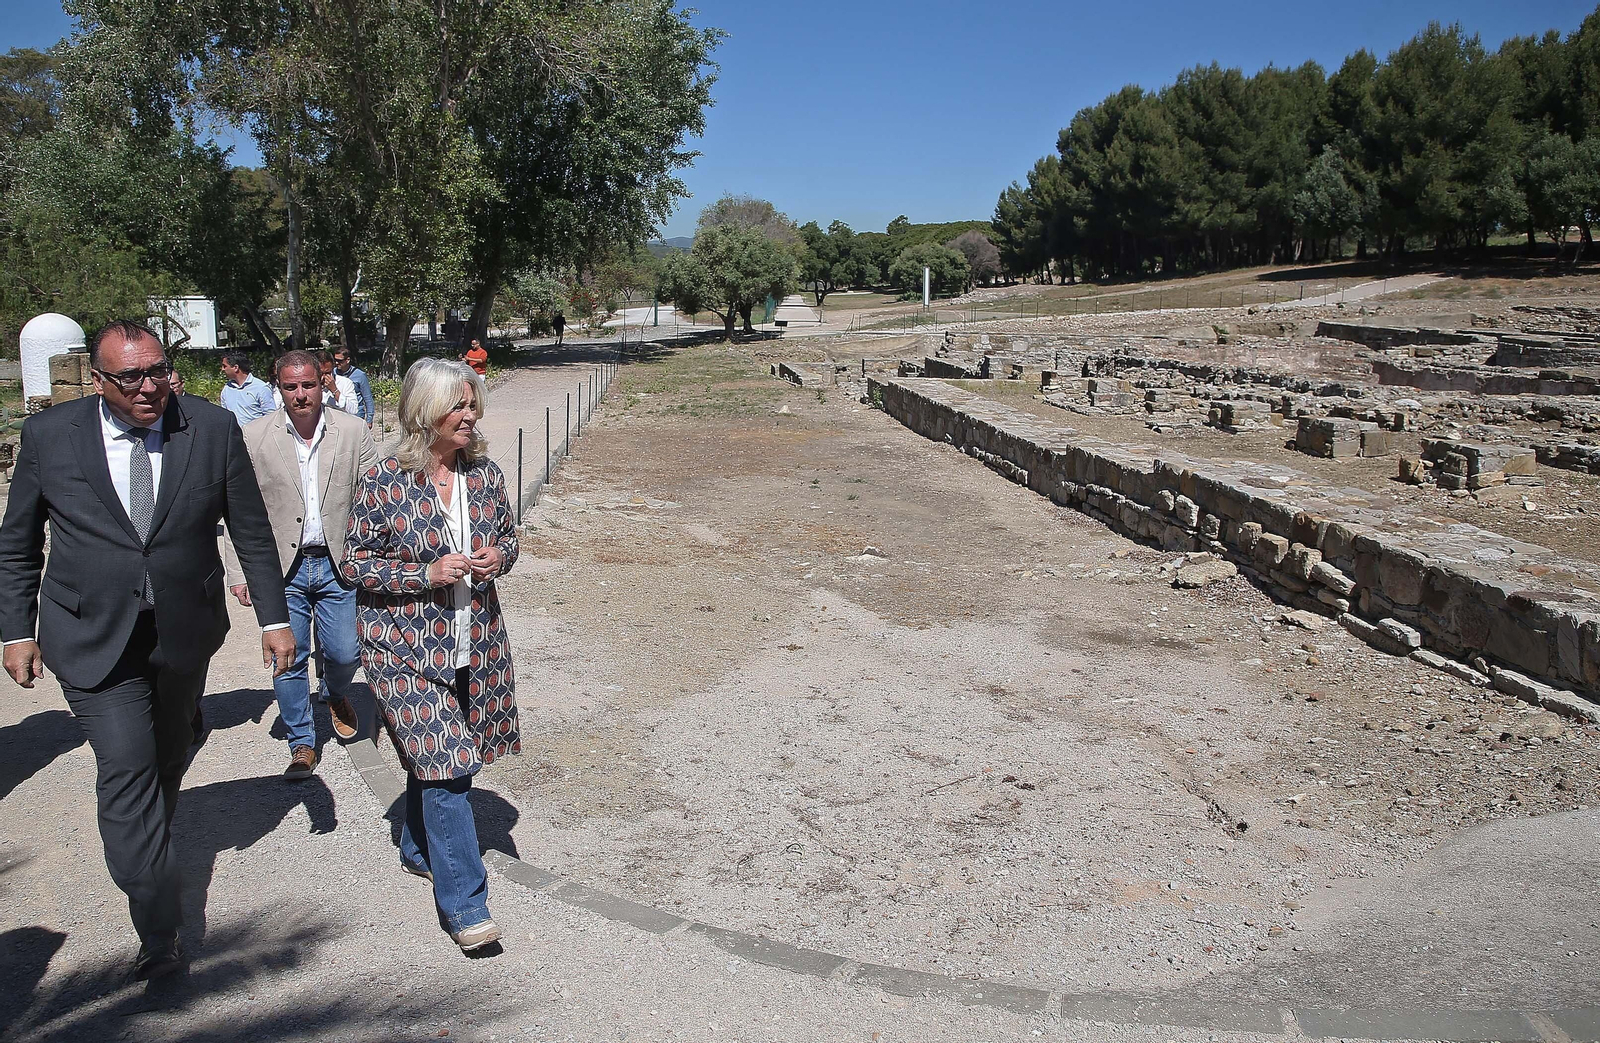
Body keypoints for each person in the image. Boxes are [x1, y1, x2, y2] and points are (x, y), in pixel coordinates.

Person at [0, 320, 293, 980]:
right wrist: (16, 630)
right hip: (89, 633)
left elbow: (251, 532)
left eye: (157, 371)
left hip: (182, 632)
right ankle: (160, 927)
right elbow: (18, 544)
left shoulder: (212, 429)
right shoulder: (50, 436)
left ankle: (156, 811)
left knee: (165, 758)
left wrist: (274, 620)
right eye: (129, 376)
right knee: (127, 766)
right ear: (98, 380)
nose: (147, 387)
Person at [342, 357, 519, 952]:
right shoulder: (384, 480)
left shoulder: (486, 475)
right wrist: (425, 574)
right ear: (426, 411)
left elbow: (509, 538)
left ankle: (417, 847)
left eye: (473, 405)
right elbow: (355, 564)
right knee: (448, 765)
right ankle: (466, 906)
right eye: (458, 406)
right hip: (401, 648)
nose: (470, 416)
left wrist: (497, 558)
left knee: (435, 759)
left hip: (473, 642)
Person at [226, 350, 377, 779]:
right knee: (288, 656)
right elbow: (239, 510)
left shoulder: (353, 432)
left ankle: (334, 692)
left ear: (322, 383)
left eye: (308, 384)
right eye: (290, 387)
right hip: (280, 569)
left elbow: (374, 499)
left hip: (338, 564)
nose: (300, 394)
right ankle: (302, 742)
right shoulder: (254, 436)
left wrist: (376, 559)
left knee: (345, 652)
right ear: (279, 388)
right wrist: (239, 571)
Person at [219, 351, 275, 426]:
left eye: (224, 366)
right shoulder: (227, 389)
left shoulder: (261, 388)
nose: (222, 369)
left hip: (256, 432)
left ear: (235, 368)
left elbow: (271, 416)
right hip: (234, 433)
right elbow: (225, 415)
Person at [333, 346, 376, 426]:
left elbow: (368, 398)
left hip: (356, 415)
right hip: (338, 414)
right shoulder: (333, 373)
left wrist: (369, 419)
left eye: (340, 361)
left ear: (347, 360)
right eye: (335, 360)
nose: (336, 363)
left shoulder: (360, 375)